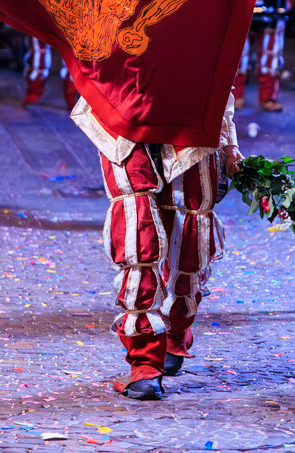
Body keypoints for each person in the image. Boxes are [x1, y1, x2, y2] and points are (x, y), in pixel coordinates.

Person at [71, 94, 241, 400]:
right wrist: (229, 142)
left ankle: (156, 353)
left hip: (153, 105)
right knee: (149, 224)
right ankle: (158, 350)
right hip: (146, 106)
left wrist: (229, 140)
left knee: (176, 223)